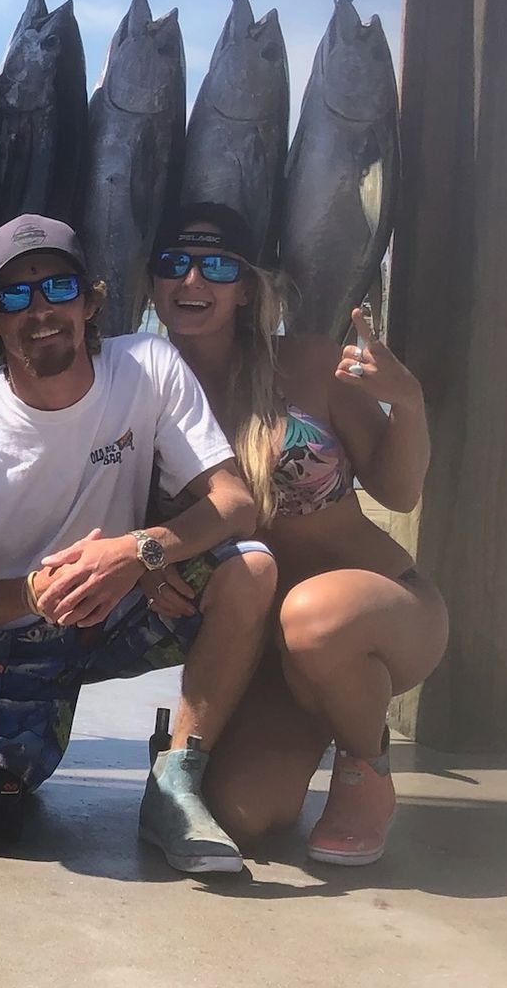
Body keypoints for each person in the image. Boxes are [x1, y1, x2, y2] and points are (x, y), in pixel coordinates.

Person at [0, 213, 278, 873]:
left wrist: (140, 551)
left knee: (250, 569)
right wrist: (32, 593)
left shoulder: (148, 367)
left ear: (91, 299)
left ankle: (176, 779)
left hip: (128, 607)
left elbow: (235, 501)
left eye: (58, 288)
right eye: (16, 295)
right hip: (10, 634)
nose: (40, 309)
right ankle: (17, 742)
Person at [147, 203, 447, 867]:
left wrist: (409, 401)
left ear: (247, 286)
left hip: (380, 611)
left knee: (311, 617)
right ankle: (300, 718)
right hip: (266, 651)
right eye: (175, 264)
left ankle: (364, 766)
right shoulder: (142, 390)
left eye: (217, 266)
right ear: (153, 282)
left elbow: (399, 492)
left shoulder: (312, 365)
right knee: (245, 817)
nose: (193, 281)